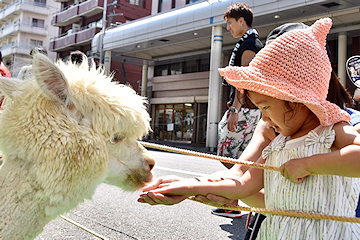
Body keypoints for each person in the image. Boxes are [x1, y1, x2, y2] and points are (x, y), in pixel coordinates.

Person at [139, 18, 360, 239]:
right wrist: (189, 187)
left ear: (296, 99)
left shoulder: (333, 130)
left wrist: (308, 165)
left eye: (265, 107)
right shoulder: (278, 143)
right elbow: (243, 183)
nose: (262, 117)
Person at [214, 2, 263, 218]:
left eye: (230, 23)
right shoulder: (247, 41)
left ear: (241, 21)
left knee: (227, 153)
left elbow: (245, 80)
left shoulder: (250, 43)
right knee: (239, 156)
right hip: (248, 109)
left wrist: (235, 109)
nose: (228, 28)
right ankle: (234, 203)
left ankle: (241, 200)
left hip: (245, 110)